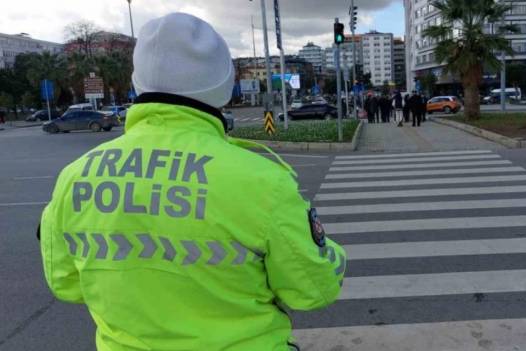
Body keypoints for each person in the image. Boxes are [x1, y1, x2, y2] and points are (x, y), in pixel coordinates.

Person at [38, 13, 345, 351]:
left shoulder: (76, 176)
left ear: (138, 82)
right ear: (223, 86)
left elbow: (65, 284)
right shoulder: (262, 181)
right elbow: (315, 289)